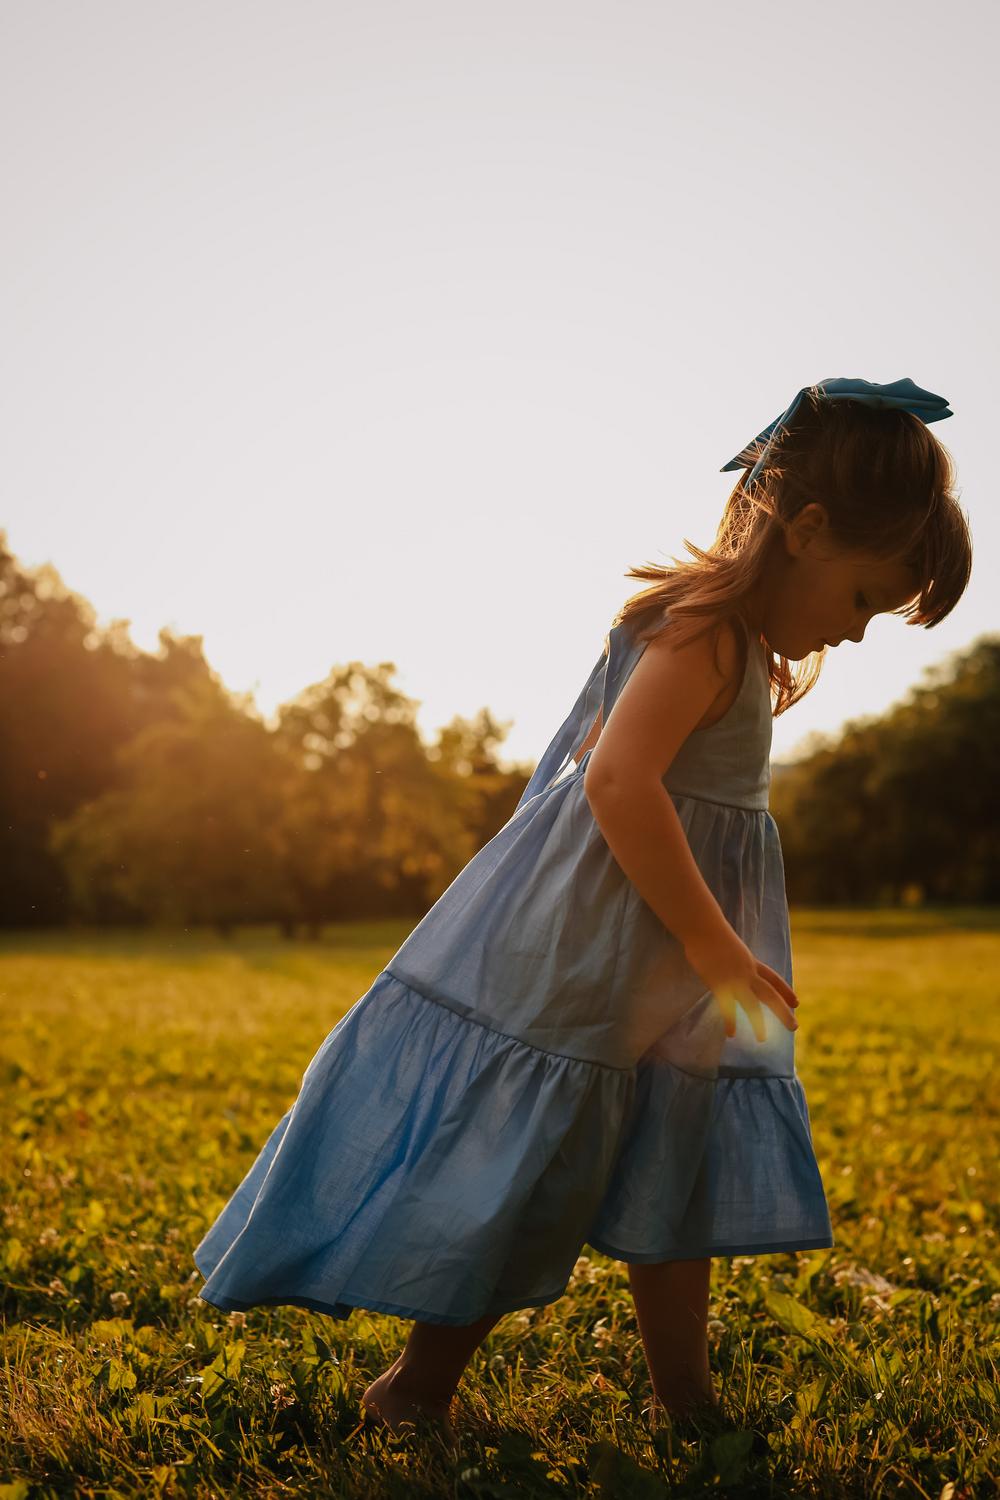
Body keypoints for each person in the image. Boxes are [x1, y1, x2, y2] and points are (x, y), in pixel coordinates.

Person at [193, 377, 970, 1448]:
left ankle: (685, 1399)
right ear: (806, 529)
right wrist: (713, 942)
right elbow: (615, 782)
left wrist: (707, 948)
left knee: (674, 1161)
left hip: (668, 952)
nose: (859, 632)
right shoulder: (700, 634)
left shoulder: (739, 652)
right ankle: (414, 1387)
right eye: (863, 600)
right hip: (603, 947)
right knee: (531, 1164)